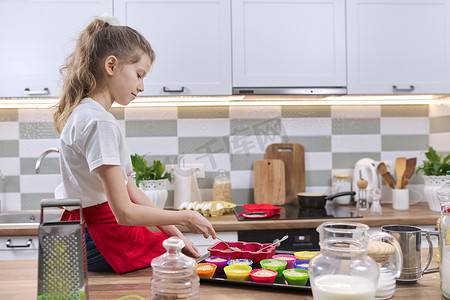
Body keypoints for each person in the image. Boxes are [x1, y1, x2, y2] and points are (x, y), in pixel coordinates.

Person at [53, 17, 217, 274]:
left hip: (90, 235)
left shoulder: (87, 114)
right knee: (181, 269)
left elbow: (131, 191)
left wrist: (177, 235)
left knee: (182, 256)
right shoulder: (99, 122)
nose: (141, 86)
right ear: (111, 65)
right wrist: (184, 217)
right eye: (139, 75)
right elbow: (124, 214)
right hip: (101, 239)